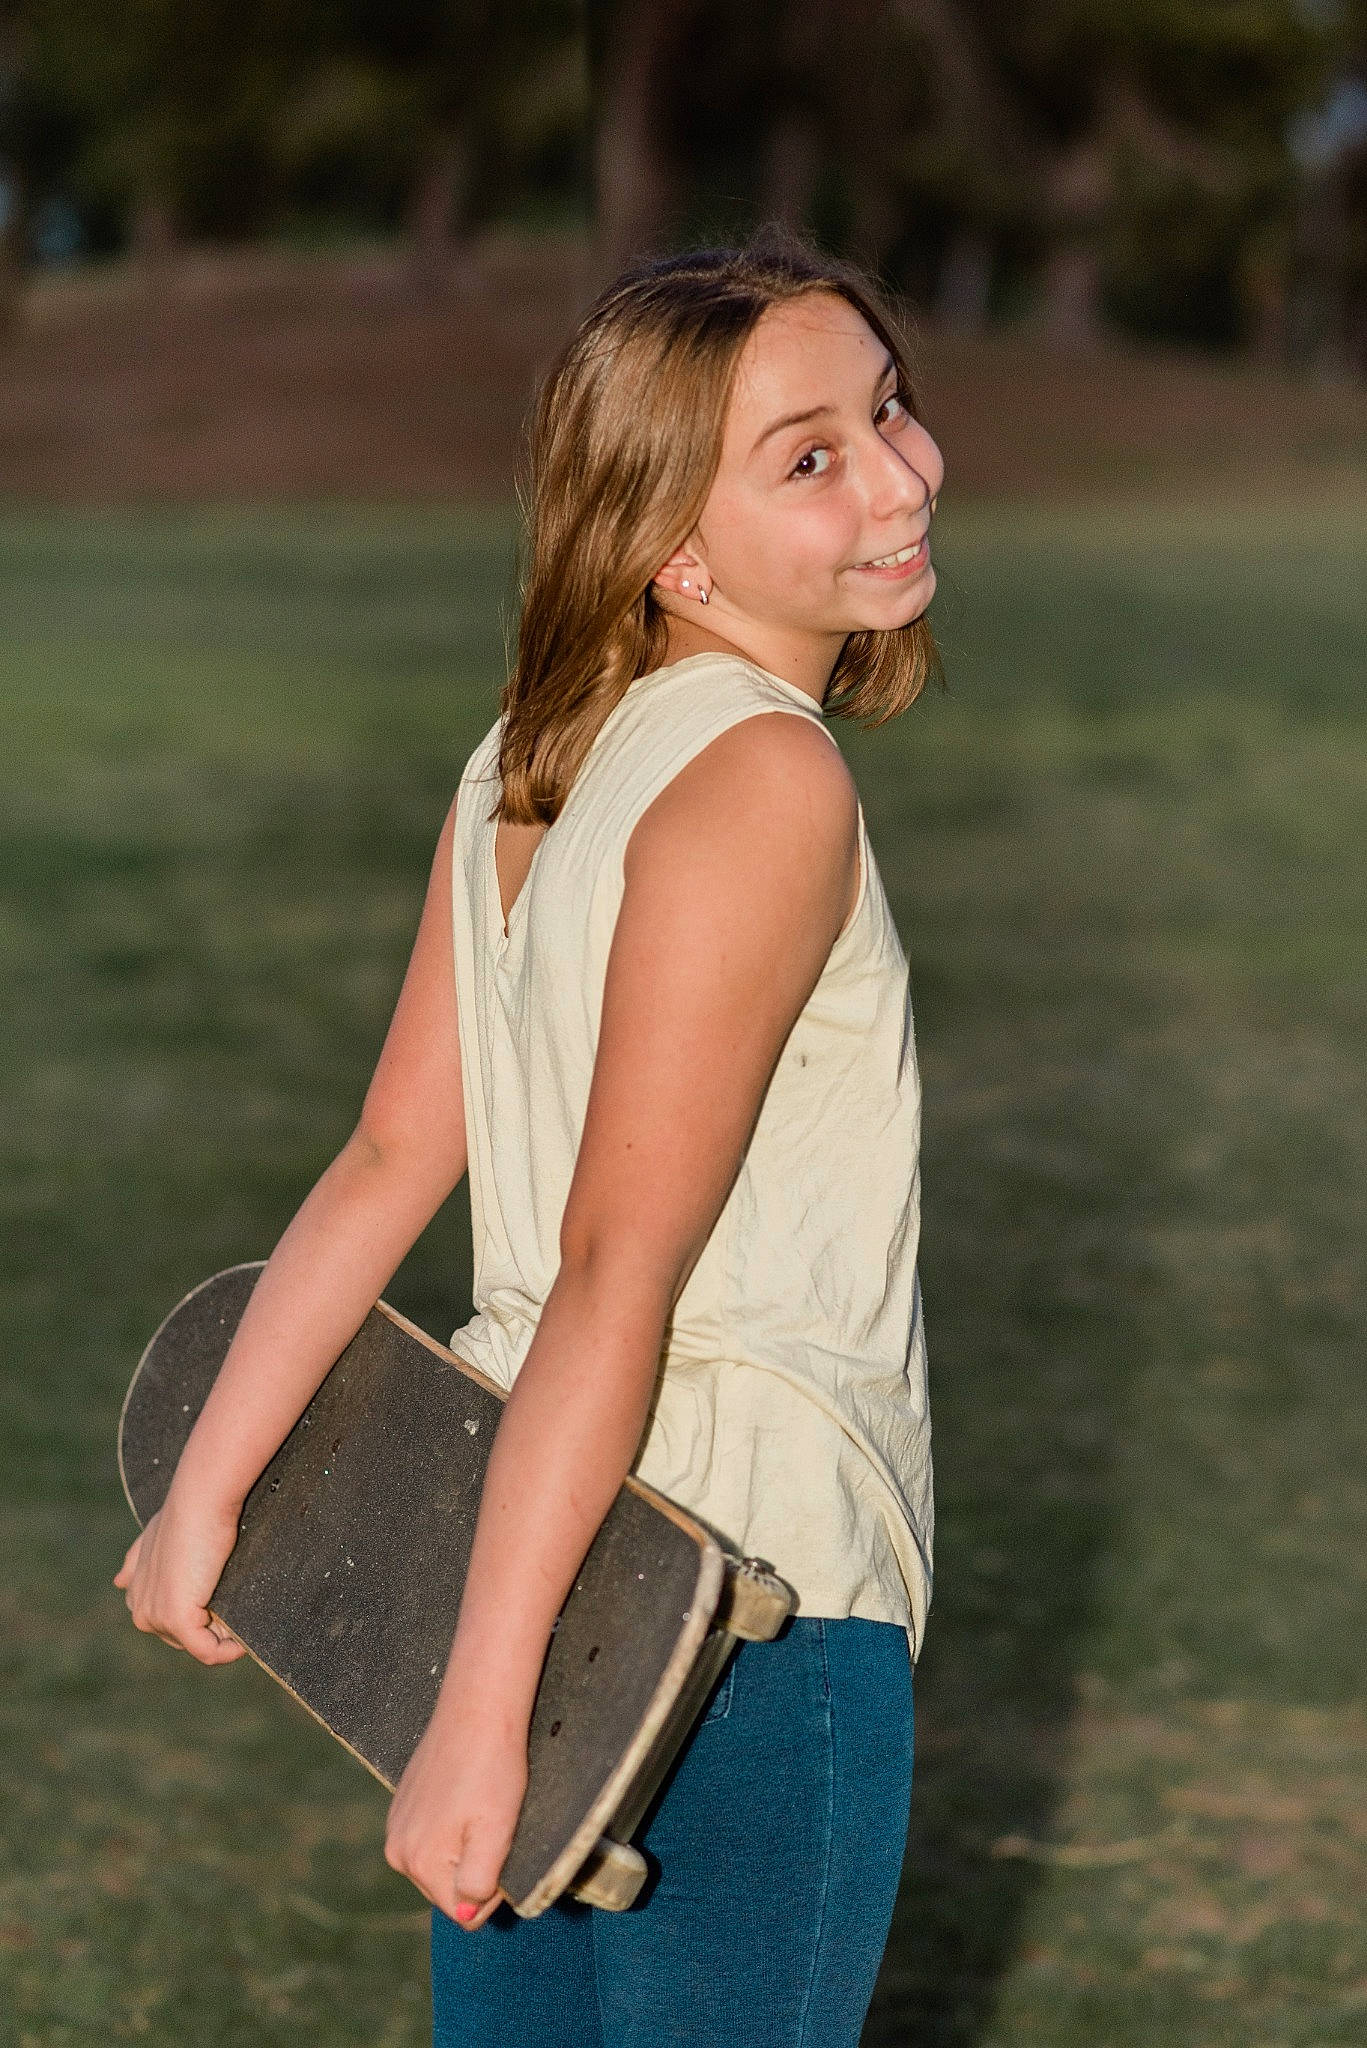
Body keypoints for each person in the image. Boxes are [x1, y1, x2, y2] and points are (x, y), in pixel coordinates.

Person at [114, 221, 945, 2048]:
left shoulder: (527, 758)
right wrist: (482, 1720)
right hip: (748, 1615)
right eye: (808, 458)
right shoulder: (765, 777)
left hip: (536, 1561)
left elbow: (388, 1160)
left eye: (889, 411)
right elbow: (612, 1267)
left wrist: (207, 1497)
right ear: (672, 544)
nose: (895, 479)